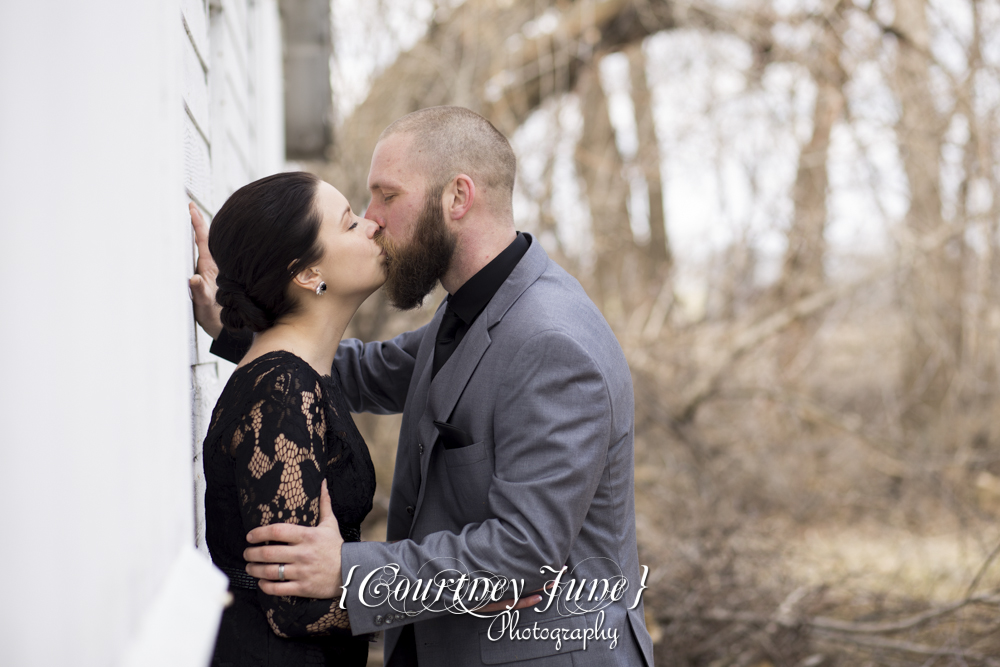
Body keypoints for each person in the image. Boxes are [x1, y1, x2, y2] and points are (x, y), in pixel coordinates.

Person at [193, 107, 655, 666]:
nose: (372, 218)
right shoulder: (469, 310)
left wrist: (347, 571)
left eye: (387, 195)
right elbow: (350, 371)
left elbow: (521, 553)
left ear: (456, 198)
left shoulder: (551, 343)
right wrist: (244, 314)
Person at [196, 171, 382, 666]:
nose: (372, 226)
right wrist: (445, 608)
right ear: (305, 274)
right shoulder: (283, 391)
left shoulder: (299, 379)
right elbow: (295, 607)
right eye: (350, 224)